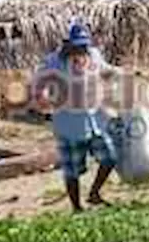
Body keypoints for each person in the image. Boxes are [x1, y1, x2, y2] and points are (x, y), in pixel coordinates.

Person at [33, 21, 119, 213]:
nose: (81, 49)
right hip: (68, 124)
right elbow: (39, 83)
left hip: (94, 120)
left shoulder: (94, 55)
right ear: (67, 44)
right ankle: (76, 207)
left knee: (110, 157)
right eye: (77, 45)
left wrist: (120, 74)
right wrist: (43, 97)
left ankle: (94, 193)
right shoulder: (54, 61)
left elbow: (105, 70)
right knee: (72, 170)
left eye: (83, 45)